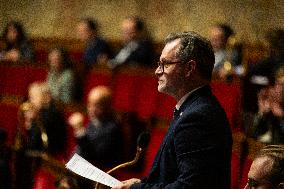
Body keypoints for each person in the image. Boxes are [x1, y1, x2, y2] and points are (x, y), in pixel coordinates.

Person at [113, 31, 232, 189]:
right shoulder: (191, 108)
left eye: (166, 64)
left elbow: (190, 187)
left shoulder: (198, 117)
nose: (157, 71)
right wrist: (141, 183)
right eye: (158, 64)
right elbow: (171, 173)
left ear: (189, 68)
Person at [68, 86, 123, 168]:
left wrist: (80, 130)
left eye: (96, 105)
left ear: (107, 107)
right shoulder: (94, 121)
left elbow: (93, 158)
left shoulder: (112, 129)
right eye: (89, 104)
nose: (90, 109)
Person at [252, 66, 284, 144]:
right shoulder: (273, 107)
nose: (280, 89)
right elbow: (256, 135)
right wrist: (262, 113)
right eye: (278, 84)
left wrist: (281, 117)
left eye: (282, 85)